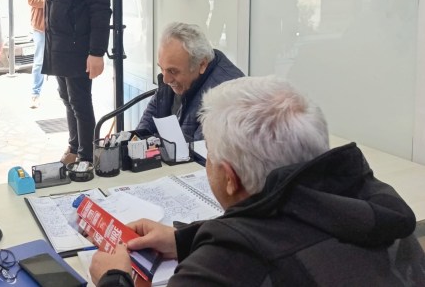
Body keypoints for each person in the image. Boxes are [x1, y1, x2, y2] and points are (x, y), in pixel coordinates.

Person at [91, 76, 425, 286]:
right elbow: (290, 222)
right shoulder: (382, 217)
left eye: (210, 156)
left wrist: (114, 278)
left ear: (230, 178)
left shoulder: (227, 267)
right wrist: (183, 240)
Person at [39, 0, 111, 166]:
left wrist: (97, 52)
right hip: (58, 44)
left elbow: (100, 9)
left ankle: (87, 157)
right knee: (67, 99)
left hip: (79, 45)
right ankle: (74, 147)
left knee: (80, 102)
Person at [136, 22, 244, 142]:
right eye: (161, 68)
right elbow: (143, 130)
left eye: (173, 71)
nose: (166, 80)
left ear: (202, 64)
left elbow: (202, 151)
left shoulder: (226, 96)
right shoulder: (172, 76)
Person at [27, 0, 47, 108]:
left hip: (57, 27)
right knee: (39, 61)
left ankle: (63, 91)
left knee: (60, 58)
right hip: (40, 27)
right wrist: (50, 0)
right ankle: (35, 94)